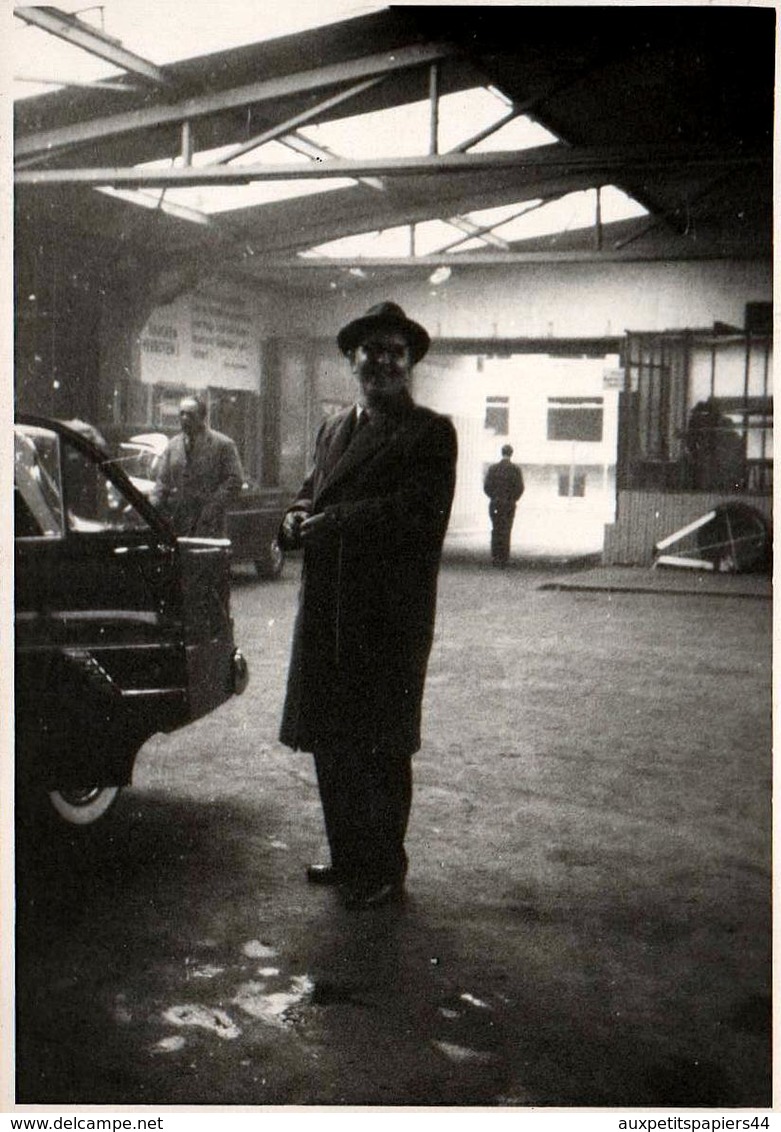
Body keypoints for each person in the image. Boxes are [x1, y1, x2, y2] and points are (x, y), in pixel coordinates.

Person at [278, 301, 458, 910]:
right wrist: (294, 518)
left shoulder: (430, 433)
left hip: (387, 620)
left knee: (380, 745)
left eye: (394, 352)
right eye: (371, 351)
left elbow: (418, 515)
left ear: (407, 365)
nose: (381, 361)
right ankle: (349, 855)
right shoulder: (334, 429)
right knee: (332, 740)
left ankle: (384, 868)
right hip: (327, 613)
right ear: (351, 360)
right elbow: (311, 491)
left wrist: (335, 522)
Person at [150, 395, 243, 537]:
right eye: (182, 413)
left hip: (209, 525)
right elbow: (162, 482)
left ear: (202, 417)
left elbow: (234, 480)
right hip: (178, 523)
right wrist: (151, 507)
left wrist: (212, 507)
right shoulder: (173, 445)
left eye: (190, 415)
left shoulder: (223, 444)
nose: (185, 418)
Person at [484, 444, 524, 566]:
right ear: (511, 454)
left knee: (496, 528)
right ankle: (504, 557)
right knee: (506, 529)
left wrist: (493, 497)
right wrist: (513, 499)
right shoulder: (516, 470)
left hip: (495, 504)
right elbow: (520, 488)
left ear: (501, 453)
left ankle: (495, 556)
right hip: (509, 505)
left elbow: (486, 487)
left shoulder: (493, 469)